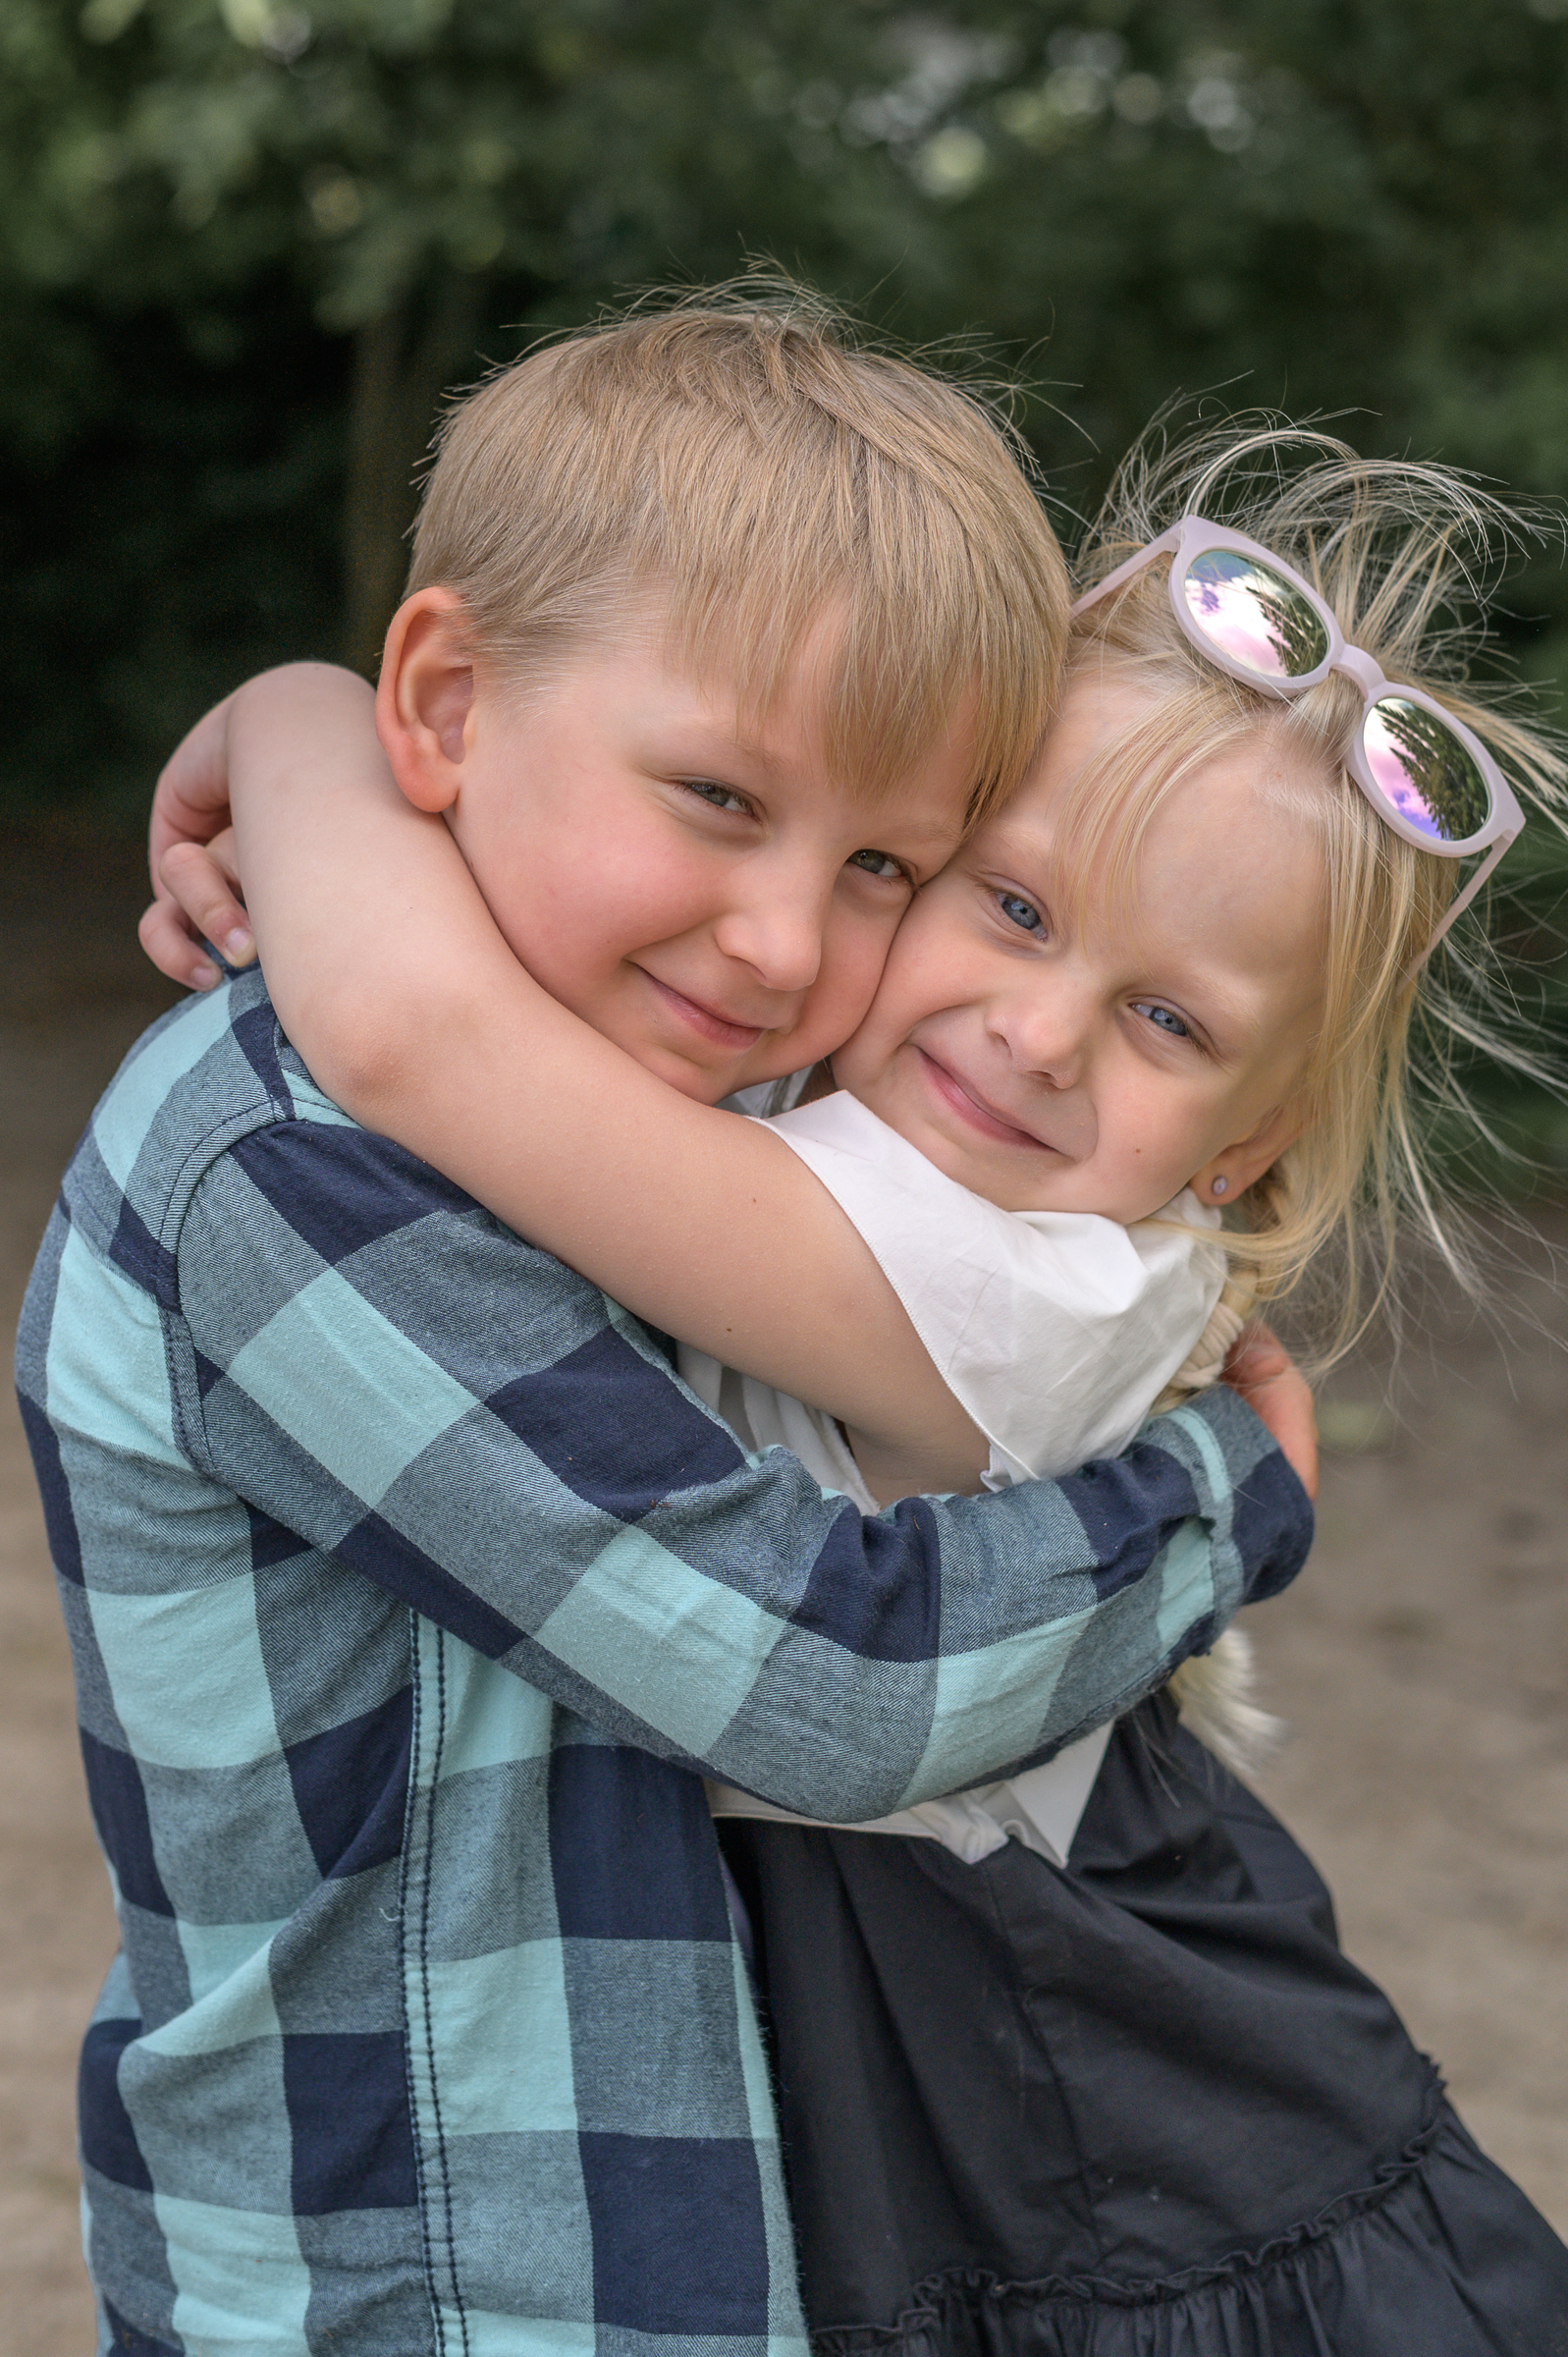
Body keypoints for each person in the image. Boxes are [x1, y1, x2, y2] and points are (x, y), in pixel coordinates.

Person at [147, 417, 1568, 2352]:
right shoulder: (820, 1122)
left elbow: (412, 1034)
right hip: (973, 2082)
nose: (1041, 1030)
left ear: (1245, 1146)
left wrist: (298, 726)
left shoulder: (1015, 1279)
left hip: (1128, 2119)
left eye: (1167, 1019)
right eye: (1006, 903)